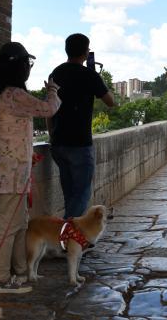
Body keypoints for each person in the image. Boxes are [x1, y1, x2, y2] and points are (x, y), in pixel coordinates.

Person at [0, 42, 61, 294]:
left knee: (18, 224)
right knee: (7, 226)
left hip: (14, 172)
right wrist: (52, 90)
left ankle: (19, 271)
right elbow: (48, 108)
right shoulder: (14, 95)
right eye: (27, 64)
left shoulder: (4, 94)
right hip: (12, 174)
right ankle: (0, 279)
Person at [48, 34, 116, 219]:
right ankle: (70, 237)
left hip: (58, 142)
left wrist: (51, 135)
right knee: (82, 195)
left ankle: (67, 236)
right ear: (86, 52)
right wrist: (98, 79)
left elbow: (49, 108)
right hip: (79, 143)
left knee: (69, 193)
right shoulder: (89, 75)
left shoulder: (55, 73)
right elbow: (111, 101)